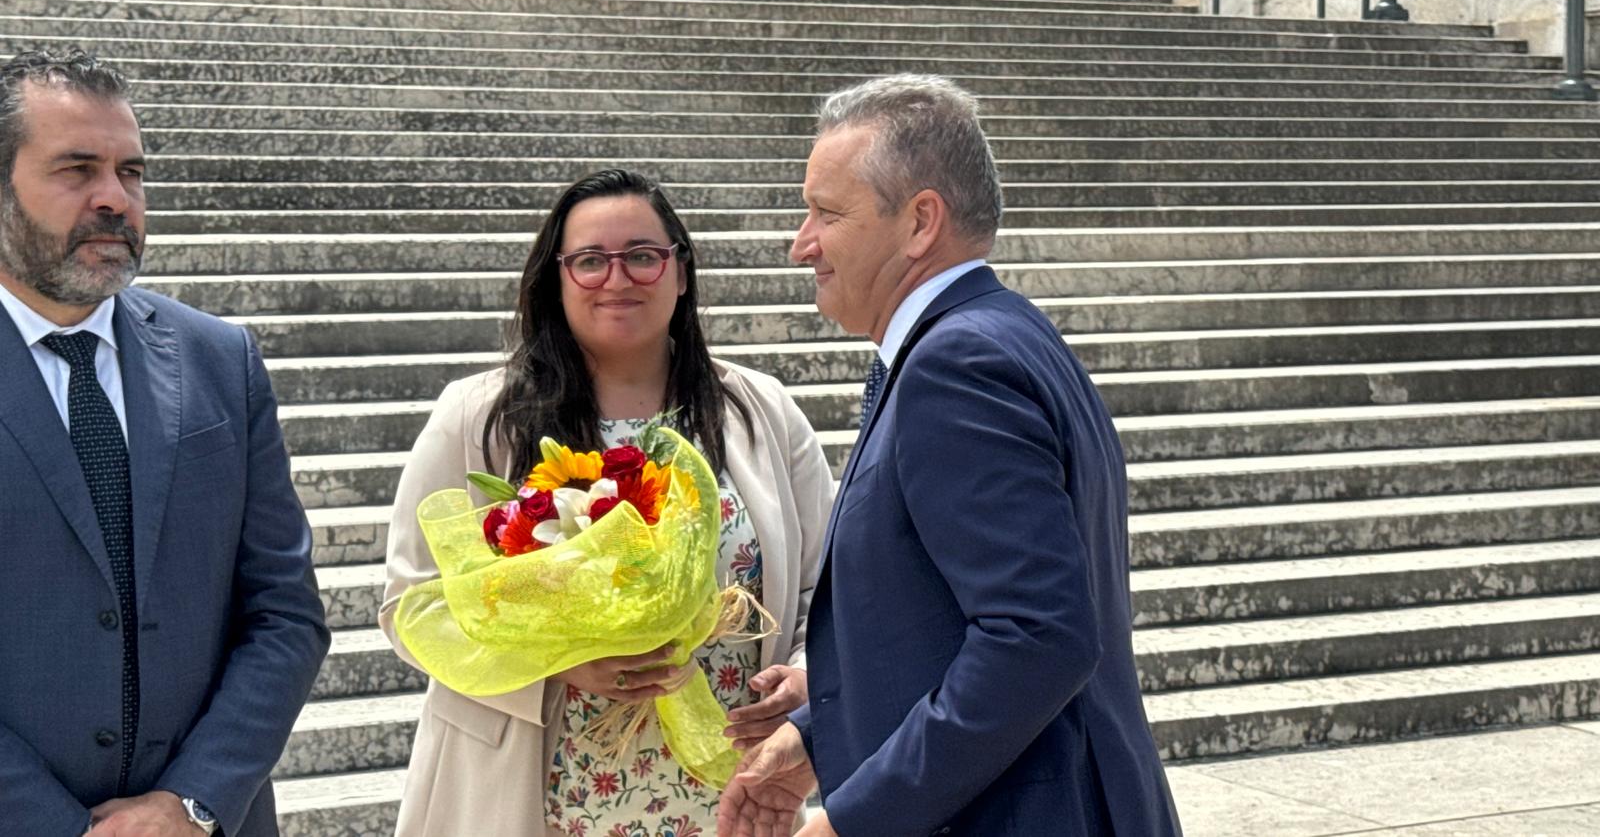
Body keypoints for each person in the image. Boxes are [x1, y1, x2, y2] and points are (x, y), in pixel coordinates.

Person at [718, 75, 1184, 836]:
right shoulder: (999, 331)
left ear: (920, 221)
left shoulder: (956, 364)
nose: (801, 243)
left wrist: (855, 821)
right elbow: (935, 622)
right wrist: (817, 735)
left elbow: (1035, 640)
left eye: (827, 213)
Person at [379, 168, 833, 836]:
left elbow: (829, 588)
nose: (617, 279)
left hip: (728, 795)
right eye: (590, 261)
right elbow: (412, 605)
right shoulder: (478, 417)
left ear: (681, 272)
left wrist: (806, 678)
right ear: (556, 279)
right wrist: (559, 663)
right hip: (537, 792)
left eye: (643, 256)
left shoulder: (761, 410)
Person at [0, 48, 330, 837]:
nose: (115, 199)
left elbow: (286, 613)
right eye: (77, 169)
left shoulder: (221, 360)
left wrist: (191, 801)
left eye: (132, 172)